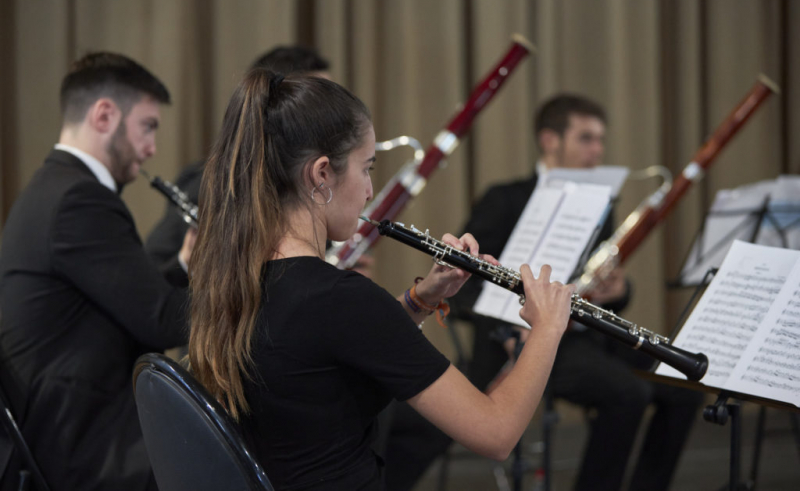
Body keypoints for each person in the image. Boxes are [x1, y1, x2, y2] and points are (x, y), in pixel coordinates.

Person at [187, 69, 574, 491]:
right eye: (366, 168)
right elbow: (496, 432)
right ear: (321, 175)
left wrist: (419, 300)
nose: (370, 190)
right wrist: (547, 328)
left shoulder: (233, 276)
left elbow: (334, 344)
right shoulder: (339, 297)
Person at [453, 94, 704, 491]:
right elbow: (461, 286)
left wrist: (618, 289)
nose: (597, 151)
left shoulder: (599, 204)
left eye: (600, 140)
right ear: (550, 140)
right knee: (627, 394)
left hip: (586, 337)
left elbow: (600, 284)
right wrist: (506, 326)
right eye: (586, 139)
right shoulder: (505, 198)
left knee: (684, 387)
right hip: (519, 342)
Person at [0, 52, 193, 490]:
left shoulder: (56, 188)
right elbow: (161, 322)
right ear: (105, 115)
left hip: (69, 428)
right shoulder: (79, 200)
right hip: (82, 443)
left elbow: (128, 302)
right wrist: (258, 288)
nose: (152, 148)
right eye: (148, 126)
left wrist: (186, 265)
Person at [144, 44, 330, 267]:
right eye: (323, 103)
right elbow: (154, 266)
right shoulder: (208, 182)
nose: (336, 115)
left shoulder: (317, 182)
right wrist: (188, 262)